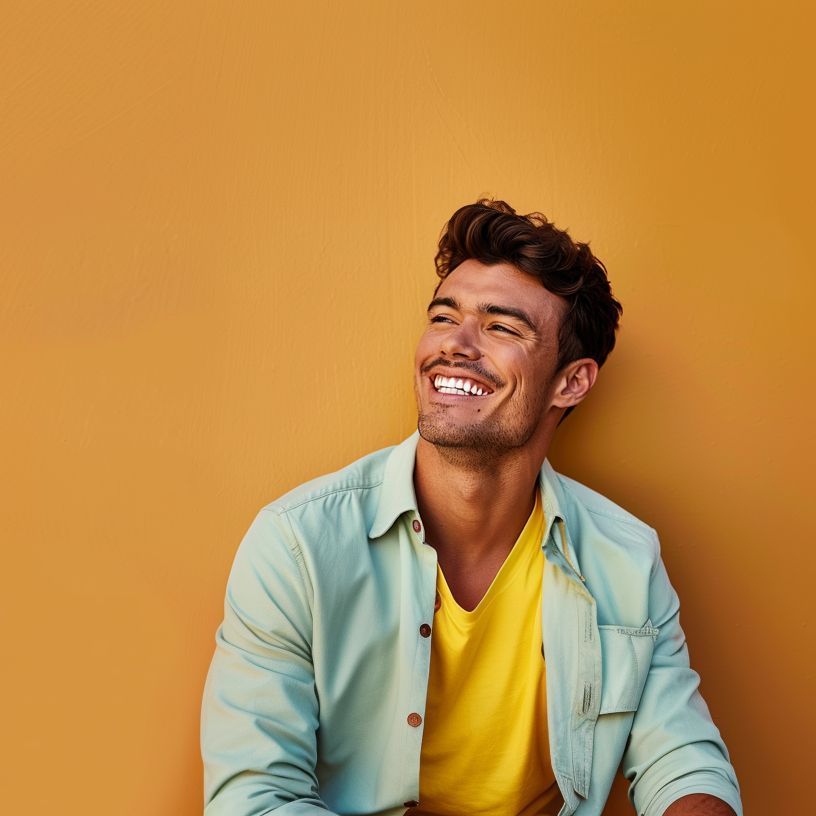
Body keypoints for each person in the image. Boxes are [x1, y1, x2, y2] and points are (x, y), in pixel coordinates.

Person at [200, 199, 742, 816]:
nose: (454, 345)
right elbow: (256, 798)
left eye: (501, 327)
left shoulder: (627, 559)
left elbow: (684, 762)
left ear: (571, 382)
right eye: (442, 317)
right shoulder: (296, 546)